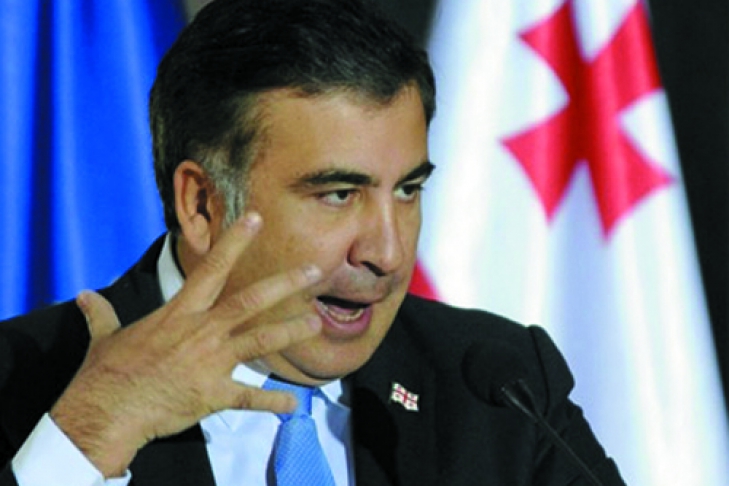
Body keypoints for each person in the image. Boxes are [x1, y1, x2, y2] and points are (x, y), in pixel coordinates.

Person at [0, 0, 625, 484]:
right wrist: (88, 437)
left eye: (408, 190)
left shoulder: (498, 388)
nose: (387, 253)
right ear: (202, 204)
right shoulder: (21, 383)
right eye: (339, 194)